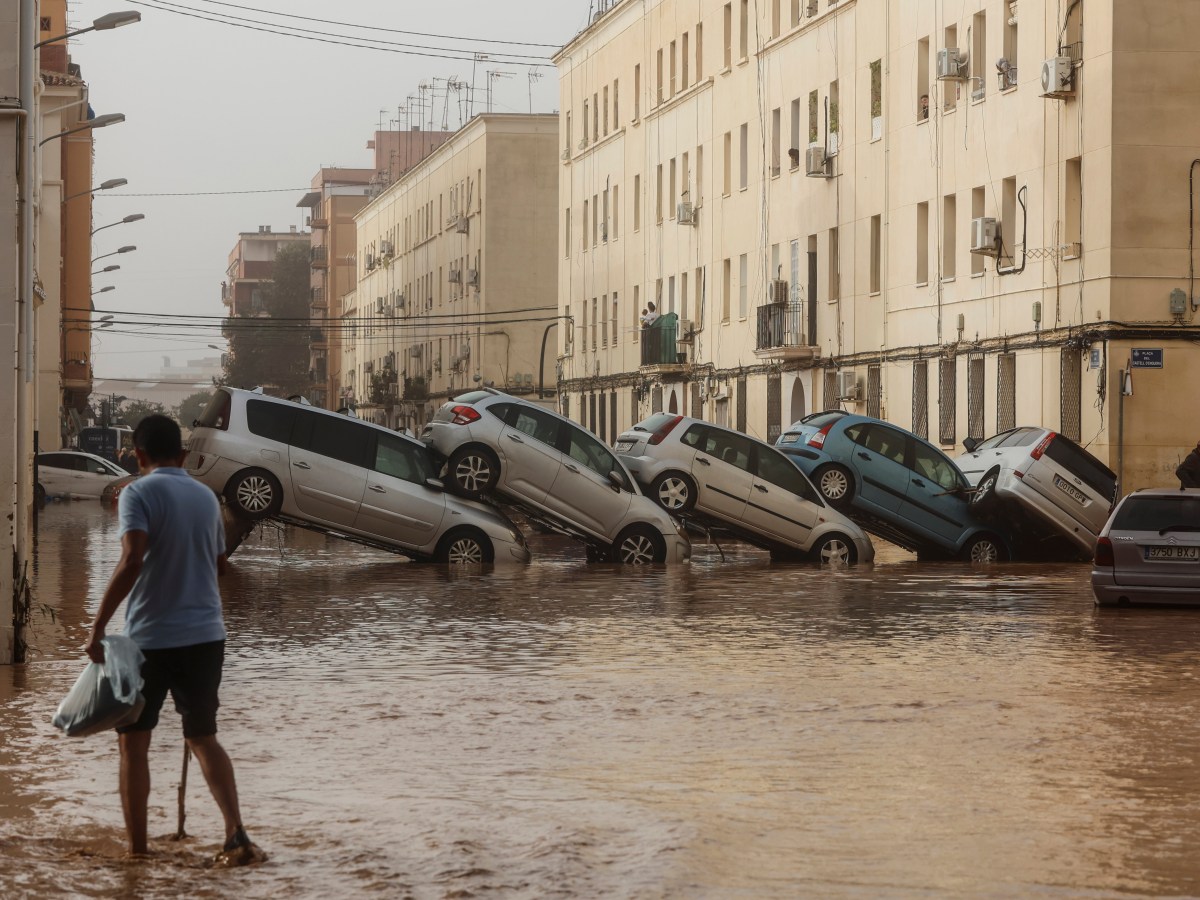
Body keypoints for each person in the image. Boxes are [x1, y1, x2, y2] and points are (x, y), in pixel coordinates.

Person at [85, 415, 261, 865]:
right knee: (204, 737)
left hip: (151, 639)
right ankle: (236, 834)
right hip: (207, 636)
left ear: (137, 455)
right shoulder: (205, 496)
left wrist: (98, 626)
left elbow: (130, 560)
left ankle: (138, 854)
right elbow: (221, 564)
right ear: (182, 456)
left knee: (133, 742)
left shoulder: (137, 493)